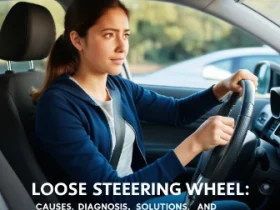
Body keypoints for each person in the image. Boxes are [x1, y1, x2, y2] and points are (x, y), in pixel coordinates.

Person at [32, 0, 258, 209]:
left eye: (126, 35)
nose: (122, 47)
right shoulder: (57, 107)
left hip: (137, 196)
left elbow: (176, 113)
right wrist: (196, 143)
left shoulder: (118, 87)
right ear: (77, 40)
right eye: (109, 35)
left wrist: (223, 87)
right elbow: (111, 194)